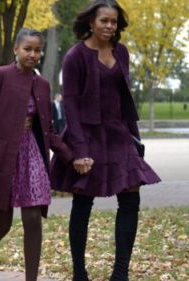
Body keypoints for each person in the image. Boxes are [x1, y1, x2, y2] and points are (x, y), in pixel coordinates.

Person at [49, 1, 161, 280]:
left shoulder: (122, 52)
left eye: (114, 22)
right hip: (86, 136)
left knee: (131, 199)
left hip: (119, 134)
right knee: (83, 203)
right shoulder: (75, 56)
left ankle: (120, 273)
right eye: (104, 21)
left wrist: (136, 140)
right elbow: (71, 106)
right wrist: (79, 152)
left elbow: (125, 97)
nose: (109, 26)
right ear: (91, 22)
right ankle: (79, 273)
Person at [0, 28, 74, 281]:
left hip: (31, 153)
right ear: (16, 49)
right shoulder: (0, 76)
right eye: (27, 49)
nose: (33, 54)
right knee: (3, 223)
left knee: (33, 219)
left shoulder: (43, 84)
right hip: (2, 157)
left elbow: (49, 129)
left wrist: (70, 156)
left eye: (37, 50)